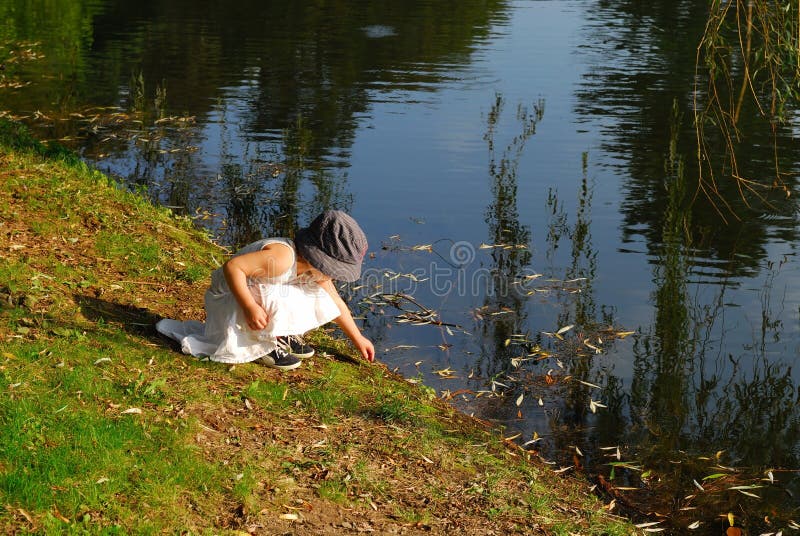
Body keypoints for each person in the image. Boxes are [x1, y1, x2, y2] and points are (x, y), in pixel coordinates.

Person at [156, 210, 375, 370]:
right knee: (278, 294)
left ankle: (280, 334)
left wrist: (358, 338)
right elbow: (233, 267)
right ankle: (261, 345)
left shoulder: (311, 270)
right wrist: (249, 306)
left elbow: (336, 303)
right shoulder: (281, 258)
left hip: (254, 294)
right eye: (335, 270)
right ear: (319, 258)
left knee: (321, 295)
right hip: (231, 298)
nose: (335, 276)